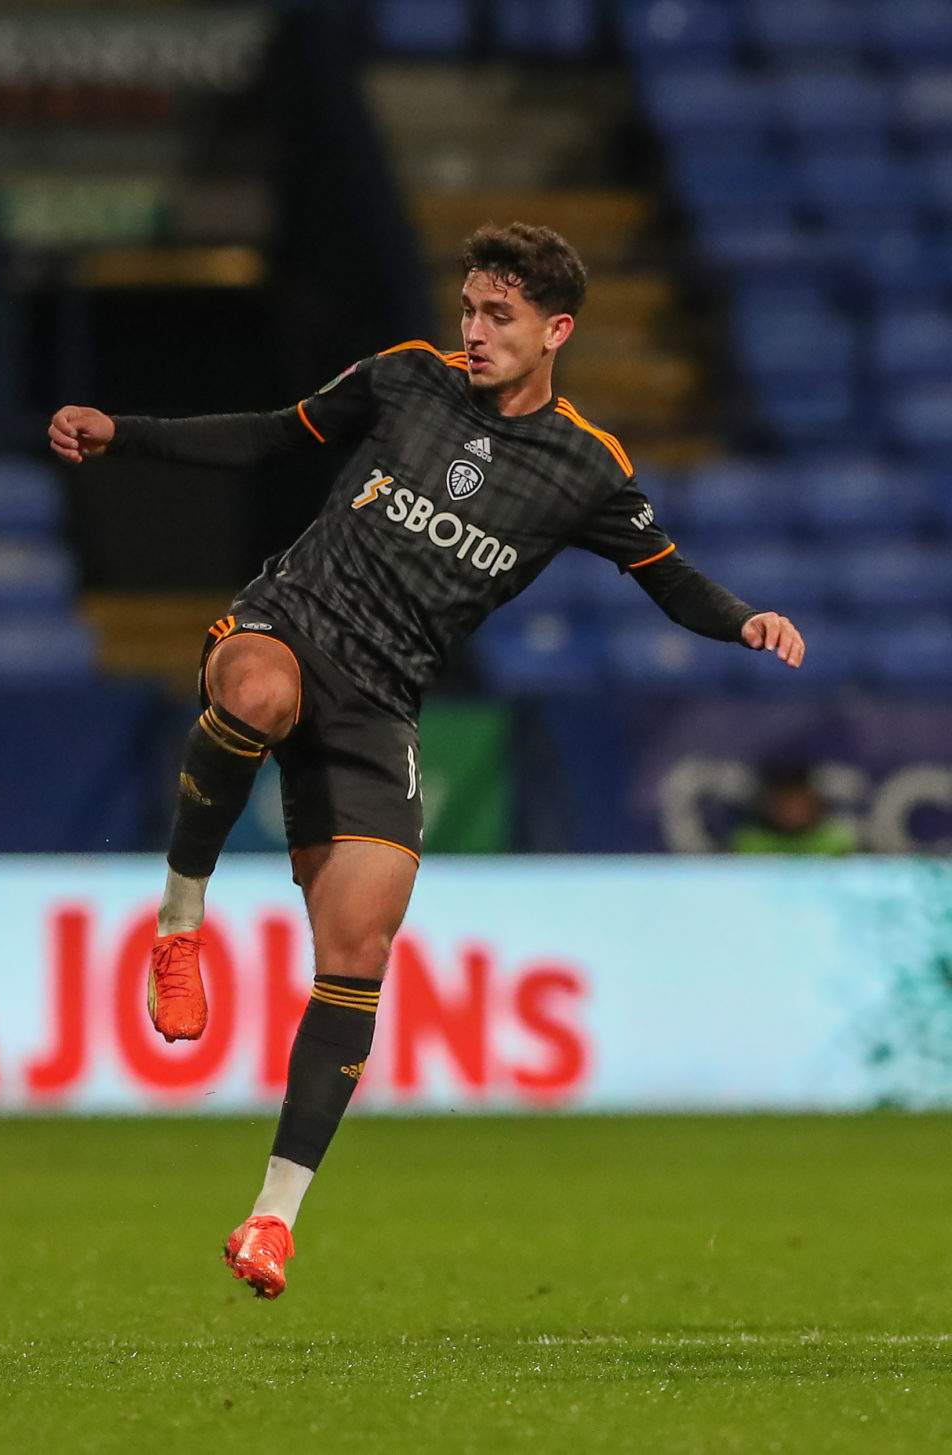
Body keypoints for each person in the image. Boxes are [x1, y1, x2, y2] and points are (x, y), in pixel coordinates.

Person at [48, 223, 806, 1301]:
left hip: (385, 700)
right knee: (254, 694)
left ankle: (271, 1219)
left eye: (500, 317)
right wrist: (123, 432)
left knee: (361, 944)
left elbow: (667, 575)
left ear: (558, 331)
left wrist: (743, 622)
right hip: (291, 624)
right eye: (471, 310)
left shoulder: (587, 467)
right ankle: (179, 924)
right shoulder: (404, 378)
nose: (475, 331)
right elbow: (270, 434)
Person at [730, 759, 856, 855]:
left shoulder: (836, 842)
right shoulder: (749, 843)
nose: (793, 810)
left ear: (813, 803)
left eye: (798, 803)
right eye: (785, 802)